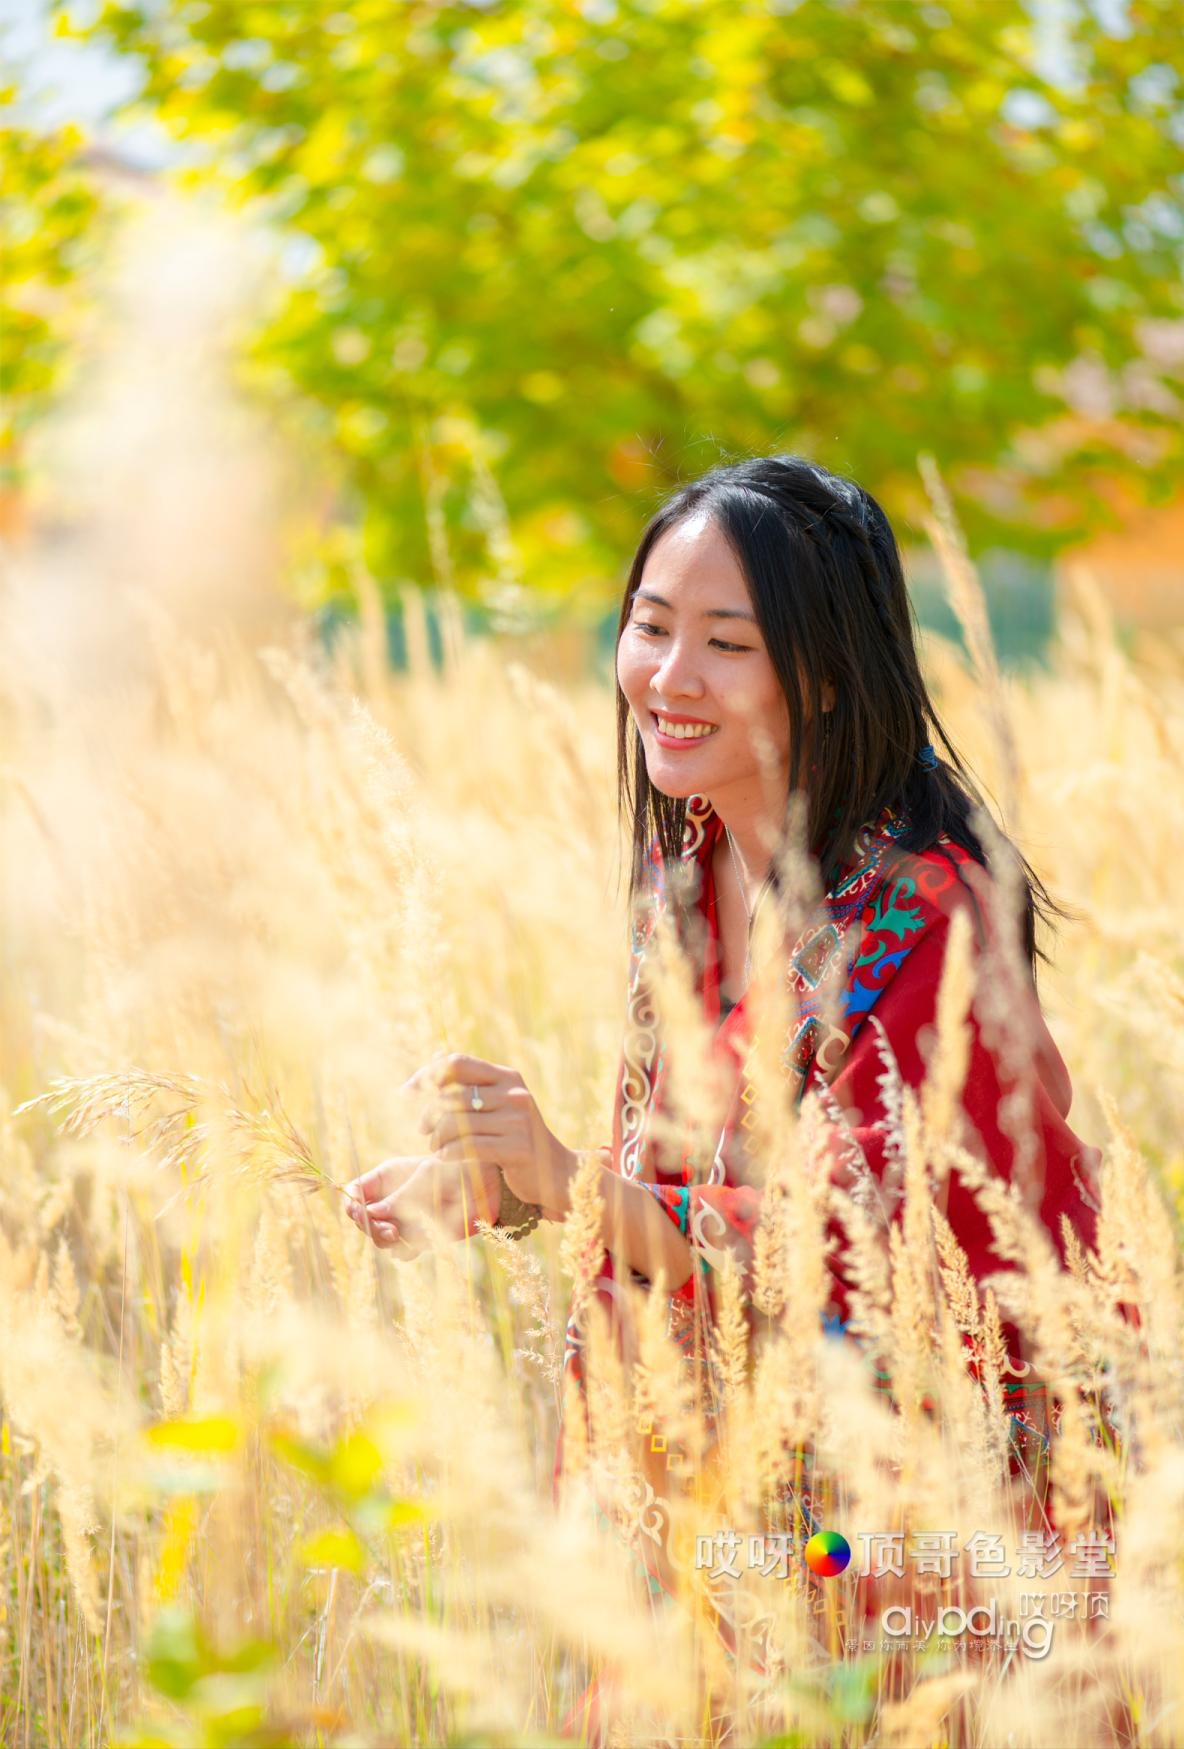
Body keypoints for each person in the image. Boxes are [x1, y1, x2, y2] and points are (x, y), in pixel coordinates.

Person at [345, 456, 1105, 1722]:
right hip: (753, 1474)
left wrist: (567, 1181)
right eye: (649, 625)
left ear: (818, 672)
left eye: (724, 643)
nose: (666, 675)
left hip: (947, 1503)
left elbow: (866, 1253)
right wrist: (508, 1186)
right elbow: (677, 1171)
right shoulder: (691, 863)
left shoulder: (928, 917)